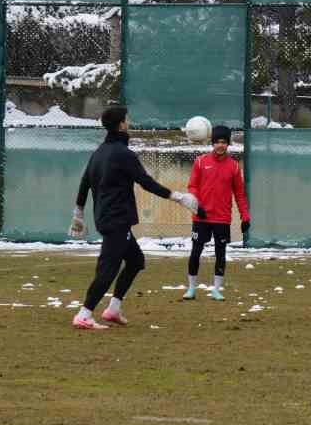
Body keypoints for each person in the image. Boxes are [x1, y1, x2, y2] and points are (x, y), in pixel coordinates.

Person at [68, 105, 200, 331]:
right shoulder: (123, 154)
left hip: (108, 218)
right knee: (108, 268)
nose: (128, 122)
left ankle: (113, 309)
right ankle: (84, 314)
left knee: (136, 261)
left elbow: (84, 182)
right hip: (116, 220)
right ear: (121, 124)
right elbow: (145, 182)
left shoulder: (99, 152)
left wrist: (79, 213)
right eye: (126, 119)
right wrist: (178, 197)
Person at [183, 124, 250, 302]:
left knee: (221, 253)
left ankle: (217, 290)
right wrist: (198, 207)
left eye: (224, 142)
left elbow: (240, 195)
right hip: (201, 217)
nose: (220, 145)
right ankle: (191, 288)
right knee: (195, 251)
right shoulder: (200, 162)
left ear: (228, 144)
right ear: (212, 143)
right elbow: (192, 187)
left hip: (222, 219)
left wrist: (245, 217)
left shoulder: (234, 167)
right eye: (217, 142)